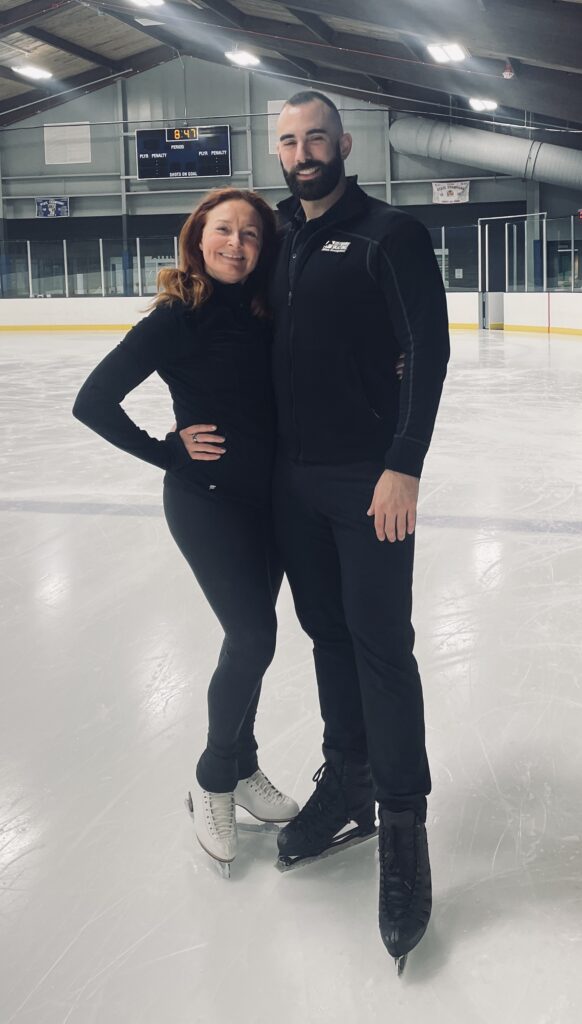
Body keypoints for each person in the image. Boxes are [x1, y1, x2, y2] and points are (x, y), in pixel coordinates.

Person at [270, 91, 450, 972]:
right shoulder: (274, 236)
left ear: (344, 144)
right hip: (290, 484)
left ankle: (405, 827)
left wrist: (404, 462)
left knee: (382, 645)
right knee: (326, 636)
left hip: (368, 481)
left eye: (315, 138)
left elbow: (430, 348)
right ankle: (349, 781)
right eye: (288, 141)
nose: (302, 152)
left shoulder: (390, 234)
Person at [72, 187, 299, 875]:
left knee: (252, 643)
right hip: (206, 499)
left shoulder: (270, 310)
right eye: (223, 230)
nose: (237, 243)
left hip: (272, 502)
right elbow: (93, 401)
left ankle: (245, 761)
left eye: (251, 234)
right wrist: (166, 449)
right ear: (198, 239)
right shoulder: (178, 317)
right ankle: (212, 778)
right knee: (254, 635)